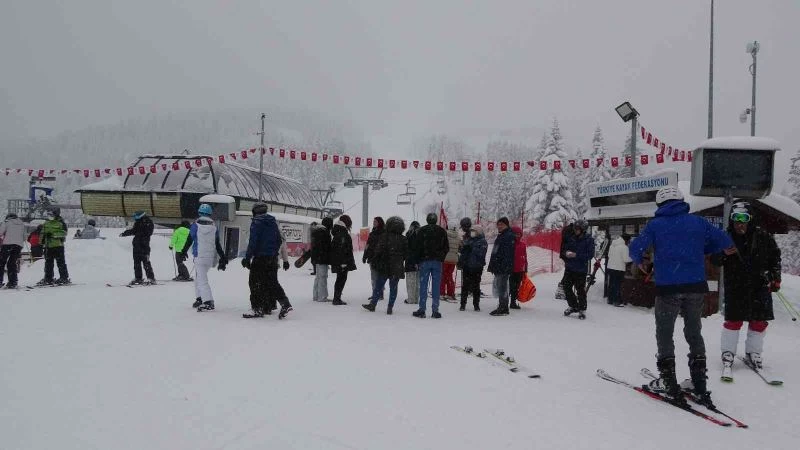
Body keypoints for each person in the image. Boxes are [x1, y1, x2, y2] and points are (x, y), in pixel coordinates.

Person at [629, 186, 735, 407]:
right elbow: (725, 242)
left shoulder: (655, 224)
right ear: (681, 201)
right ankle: (699, 384)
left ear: (660, 205)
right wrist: (705, 248)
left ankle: (668, 382)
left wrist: (640, 261)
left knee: (665, 334)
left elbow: (637, 247)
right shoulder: (698, 222)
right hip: (696, 287)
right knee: (694, 332)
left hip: (668, 287)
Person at [711, 202, 781, 372]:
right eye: (736, 219)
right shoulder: (725, 237)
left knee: (759, 322)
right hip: (736, 285)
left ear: (750, 220)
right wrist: (722, 253)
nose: (739, 223)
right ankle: (728, 352)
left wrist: (775, 278)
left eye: (744, 219)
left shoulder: (764, 237)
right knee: (733, 321)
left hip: (760, 285)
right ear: (731, 219)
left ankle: (754, 352)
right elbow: (714, 260)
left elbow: (775, 259)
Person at [241, 202, 293, 318]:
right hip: (273, 258)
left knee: (254, 282)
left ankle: (257, 308)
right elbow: (280, 240)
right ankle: (285, 303)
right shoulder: (273, 222)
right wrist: (274, 253)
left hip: (260, 258)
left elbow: (252, 242)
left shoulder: (256, 223)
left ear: (255, 212)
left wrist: (247, 258)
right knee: (272, 282)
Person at [363, 216, 407, 314]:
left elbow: (378, 250)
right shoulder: (403, 239)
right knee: (393, 287)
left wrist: (375, 260)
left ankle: (373, 304)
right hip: (397, 267)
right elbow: (406, 254)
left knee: (378, 286)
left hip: (384, 265)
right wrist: (399, 260)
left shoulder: (385, 236)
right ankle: (390, 307)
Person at [190, 204, 228, 311]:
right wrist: (223, 257)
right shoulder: (214, 227)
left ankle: (208, 301)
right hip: (209, 258)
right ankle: (199, 298)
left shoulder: (195, 226)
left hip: (199, 256)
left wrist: (183, 251)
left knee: (201, 280)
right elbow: (217, 244)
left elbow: (190, 239)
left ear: (199, 213)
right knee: (198, 277)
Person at [412, 213, 448, 318]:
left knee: (423, 285)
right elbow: (446, 247)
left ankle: (422, 309)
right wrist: (440, 257)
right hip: (437, 262)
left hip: (424, 261)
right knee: (436, 286)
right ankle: (435, 310)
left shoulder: (422, 231)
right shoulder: (442, 231)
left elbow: (417, 247)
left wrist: (417, 260)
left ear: (427, 220)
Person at [561, 219, 594, 318]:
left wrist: (576, 255)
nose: (575, 230)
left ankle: (582, 309)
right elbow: (565, 249)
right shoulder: (571, 238)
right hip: (570, 268)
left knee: (580, 290)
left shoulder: (588, 240)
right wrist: (566, 253)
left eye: (577, 229)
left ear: (583, 229)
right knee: (566, 287)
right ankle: (573, 306)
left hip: (580, 269)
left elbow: (590, 255)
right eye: (575, 228)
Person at [487, 217, 515, 316]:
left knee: (502, 287)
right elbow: (495, 252)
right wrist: (492, 265)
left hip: (503, 267)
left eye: (501, 224)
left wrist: (503, 266)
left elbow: (507, 254)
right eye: (498, 224)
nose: (499, 226)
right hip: (499, 266)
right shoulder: (502, 235)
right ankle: (502, 306)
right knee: (500, 286)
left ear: (506, 225)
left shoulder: (508, 236)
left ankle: (503, 308)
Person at [120, 211, 156, 285]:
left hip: (144, 246)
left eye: (136, 216)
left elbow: (148, 233)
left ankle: (151, 278)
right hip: (136, 246)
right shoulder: (137, 222)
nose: (134, 217)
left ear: (141, 215)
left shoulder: (148, 222)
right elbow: (134, 231)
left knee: (146, 263)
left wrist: (139, 233)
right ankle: (138, 278)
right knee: (136, 264)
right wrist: (125, 233)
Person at [458, 224, 487, 312]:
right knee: (465, 286)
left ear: (478, 232)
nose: (472, 233)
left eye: (474, 231)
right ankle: (463, 304)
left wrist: (472, 248)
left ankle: (476, 304)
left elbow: (482, 253)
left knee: (476, 286)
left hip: (477, 267)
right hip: (467, 266)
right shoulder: (468, 240)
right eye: (471, 231)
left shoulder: (482, 241)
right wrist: (462, 250)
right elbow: (464, 252)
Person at [38, 207, 70, 286]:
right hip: (48, 246)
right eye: (49, 215)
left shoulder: (61, 223)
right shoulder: (46, 223)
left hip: (58, 246)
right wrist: (41, 241)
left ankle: (64, 277)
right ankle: (48, 278)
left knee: (61, 263)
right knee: (48, 263)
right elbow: (42, 232)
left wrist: (53, 235)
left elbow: (64, 233)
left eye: (51, 215)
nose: (50, 216)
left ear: (56, 214)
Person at [329, 214, 356, 305]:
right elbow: (342, 250)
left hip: (339, 261)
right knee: (341, 280)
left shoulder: (338, 231)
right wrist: (344, 262)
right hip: (342, 262)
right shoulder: (342, 234)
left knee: (339, 279)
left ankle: (337, 297)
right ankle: (337, 299)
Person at [310, 217, 334, 302]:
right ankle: (322, 297)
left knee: (318, 277)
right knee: (323, 277)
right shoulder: (324, 233)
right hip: (322, 258)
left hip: (317, 258)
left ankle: (316, 296)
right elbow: (325, 247)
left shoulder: (316, 231)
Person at [363, 216, 386, 301]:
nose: (374, 223)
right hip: (372, 258)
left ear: (380, 222)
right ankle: (375, 293)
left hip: (381, 258)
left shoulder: (384, 233)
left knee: (380, 276)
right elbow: (367, 246)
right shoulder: (372, 233)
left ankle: (380, 294)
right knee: (374, 277)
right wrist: (365, 256)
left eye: (375, 221)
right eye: (373, 221)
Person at [0, 213, 25, 289]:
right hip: (18, 245)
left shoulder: (7, 222)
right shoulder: (21, 224)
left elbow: (0, 232)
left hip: (7, 244)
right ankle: (13, 282)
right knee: (12, 263)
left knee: (1, 262)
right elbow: (23, 236)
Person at [607, 234, 632, 307]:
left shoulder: (612, 245)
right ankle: (617, 301)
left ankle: (610, 299)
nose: (629, 242)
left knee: (611, 284)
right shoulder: (624, 247)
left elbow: (609, 255)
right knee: (617, 285)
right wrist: (633, 258)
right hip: (619, 268)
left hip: (610, 267)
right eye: (629, 240)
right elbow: (626, 259)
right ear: (626, 240)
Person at [509, 226, 528, 310]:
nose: (517, 235)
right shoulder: (510, 244)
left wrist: (525, 268)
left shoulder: (523, 245)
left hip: (520, 270)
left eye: (519, 234)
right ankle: (507, 301)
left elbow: (525, 257)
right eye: (515, 234)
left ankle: (513, 301)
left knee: (516, 287)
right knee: (511, 286)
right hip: (511, 269)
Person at [440, 226, 461, 302]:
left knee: (442, 275)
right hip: (453, 259)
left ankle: (441, 292)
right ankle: (450, 293)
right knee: (449, 275)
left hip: (445, 258)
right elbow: (460, 246)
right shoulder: (458, 236)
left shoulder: (445, 235)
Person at [403, 221, 421, 304]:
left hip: (410, 261)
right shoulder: (421, 235)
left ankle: (411, 299)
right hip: (420, 262)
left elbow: (407, 249)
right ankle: (416, 298)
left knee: (410, 282)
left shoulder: (408, 235)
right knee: (418, 282)